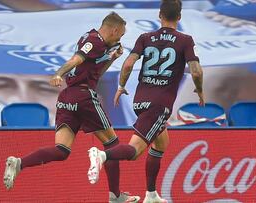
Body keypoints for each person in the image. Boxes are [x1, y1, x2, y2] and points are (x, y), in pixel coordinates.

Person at [3, 12, 140, 203]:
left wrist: (112, 59)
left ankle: (19, 163)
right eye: (121, 35)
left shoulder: (88, 37)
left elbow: (94, 72)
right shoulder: (95, 41)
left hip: (67, 96)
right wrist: (58, 73)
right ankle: (115, 196)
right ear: (115, 29)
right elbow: (75, 59)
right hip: (83, 96)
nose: (120, 39)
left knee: (62, 150)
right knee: (112, 145)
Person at [87, 1, 205, 202]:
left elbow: (129, 64)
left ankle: (151, 194)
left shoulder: (145, 37)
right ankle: (101, 155)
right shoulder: (185, 40)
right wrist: (200, 91)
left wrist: (121, 86)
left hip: (141, 100)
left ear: (160, 15)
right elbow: (196, 70)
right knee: (133, 151)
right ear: (180, 16)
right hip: (159, 104)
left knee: (161, 142)